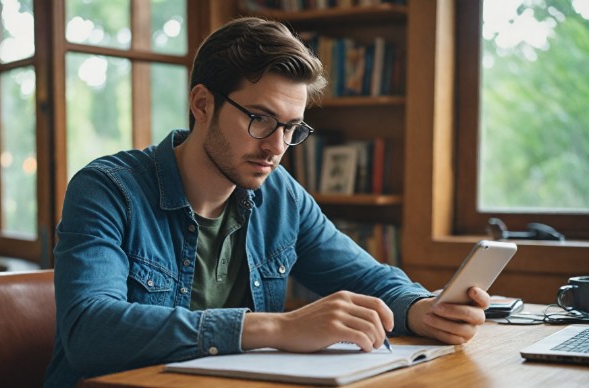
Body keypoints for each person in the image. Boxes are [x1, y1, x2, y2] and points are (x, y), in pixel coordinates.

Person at [44, 16, 489, 387]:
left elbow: (369, 278)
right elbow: (90, 330)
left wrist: (420, 309)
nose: (276, 146)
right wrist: (279, 328)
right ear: (202, 103)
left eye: (292, 127)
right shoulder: (107, 189)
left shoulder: (280, 197)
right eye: (261, 119)